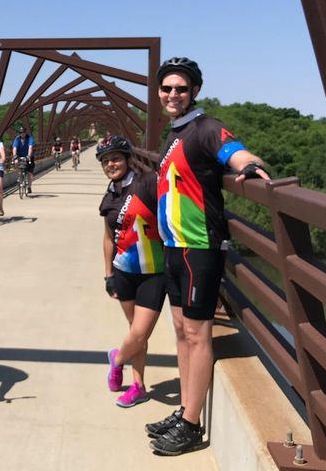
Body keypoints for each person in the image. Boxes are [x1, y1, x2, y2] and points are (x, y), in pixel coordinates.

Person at [147, 57, 270, 456]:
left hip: (199, 247)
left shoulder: (205, 128)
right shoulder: (175, 134)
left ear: (194, 91)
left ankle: (190, 424)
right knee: (182, 331)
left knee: (197, 335)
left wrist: (248, 165)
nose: (173, 95)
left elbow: (234, 152)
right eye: (167, 88)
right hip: (174, 247)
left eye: (181, 88)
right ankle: (186, 406)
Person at [98, 136, 166, 408]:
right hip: (124, 272)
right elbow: (107, 238)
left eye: (115, 158)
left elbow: (173, 190)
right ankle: (138, 387)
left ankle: (117, 358)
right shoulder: (109, 198)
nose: (110, 164)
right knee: (136, 332)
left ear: (127, 159)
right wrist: (107, 274)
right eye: (105, 161)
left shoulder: (147, 182)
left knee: (139, 334)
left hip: (155, 271)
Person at [11, 126, 35, 194]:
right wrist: (15, 156)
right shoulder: (17, 139)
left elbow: (30, 147)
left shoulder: (29, 138)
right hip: (20, 155)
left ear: (25, 132)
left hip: (28, 156)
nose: (22, 134)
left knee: (29, 172)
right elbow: (14, 148)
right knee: (15, 162)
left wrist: (29, 156)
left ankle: (29, 187)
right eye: (21, 133)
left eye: (23, 132)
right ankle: (19, 174)